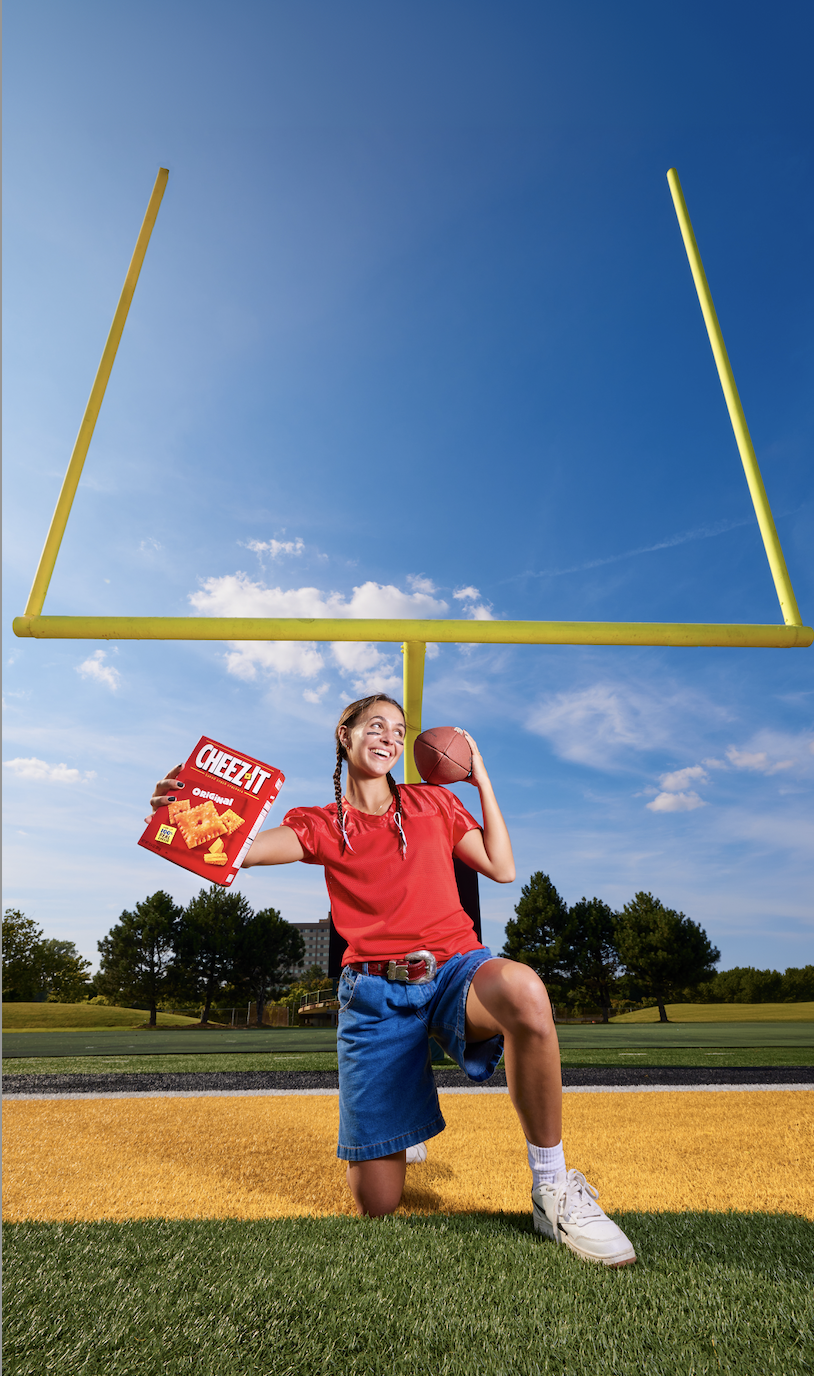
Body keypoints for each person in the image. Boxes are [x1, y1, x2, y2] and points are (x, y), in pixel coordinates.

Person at [150, 694, 636, 1266]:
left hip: (455, 970)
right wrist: (184, 812)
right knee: (376, 1203)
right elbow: (248, 853)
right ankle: (403, 1119)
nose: (389, 736)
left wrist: (480, 780)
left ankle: (551, 1187)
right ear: (345, 735)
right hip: (375, 996)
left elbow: (502, 868)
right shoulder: (321, 823)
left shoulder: (433, 803)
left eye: (399, 731)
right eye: (376, 725)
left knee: (527, 991)